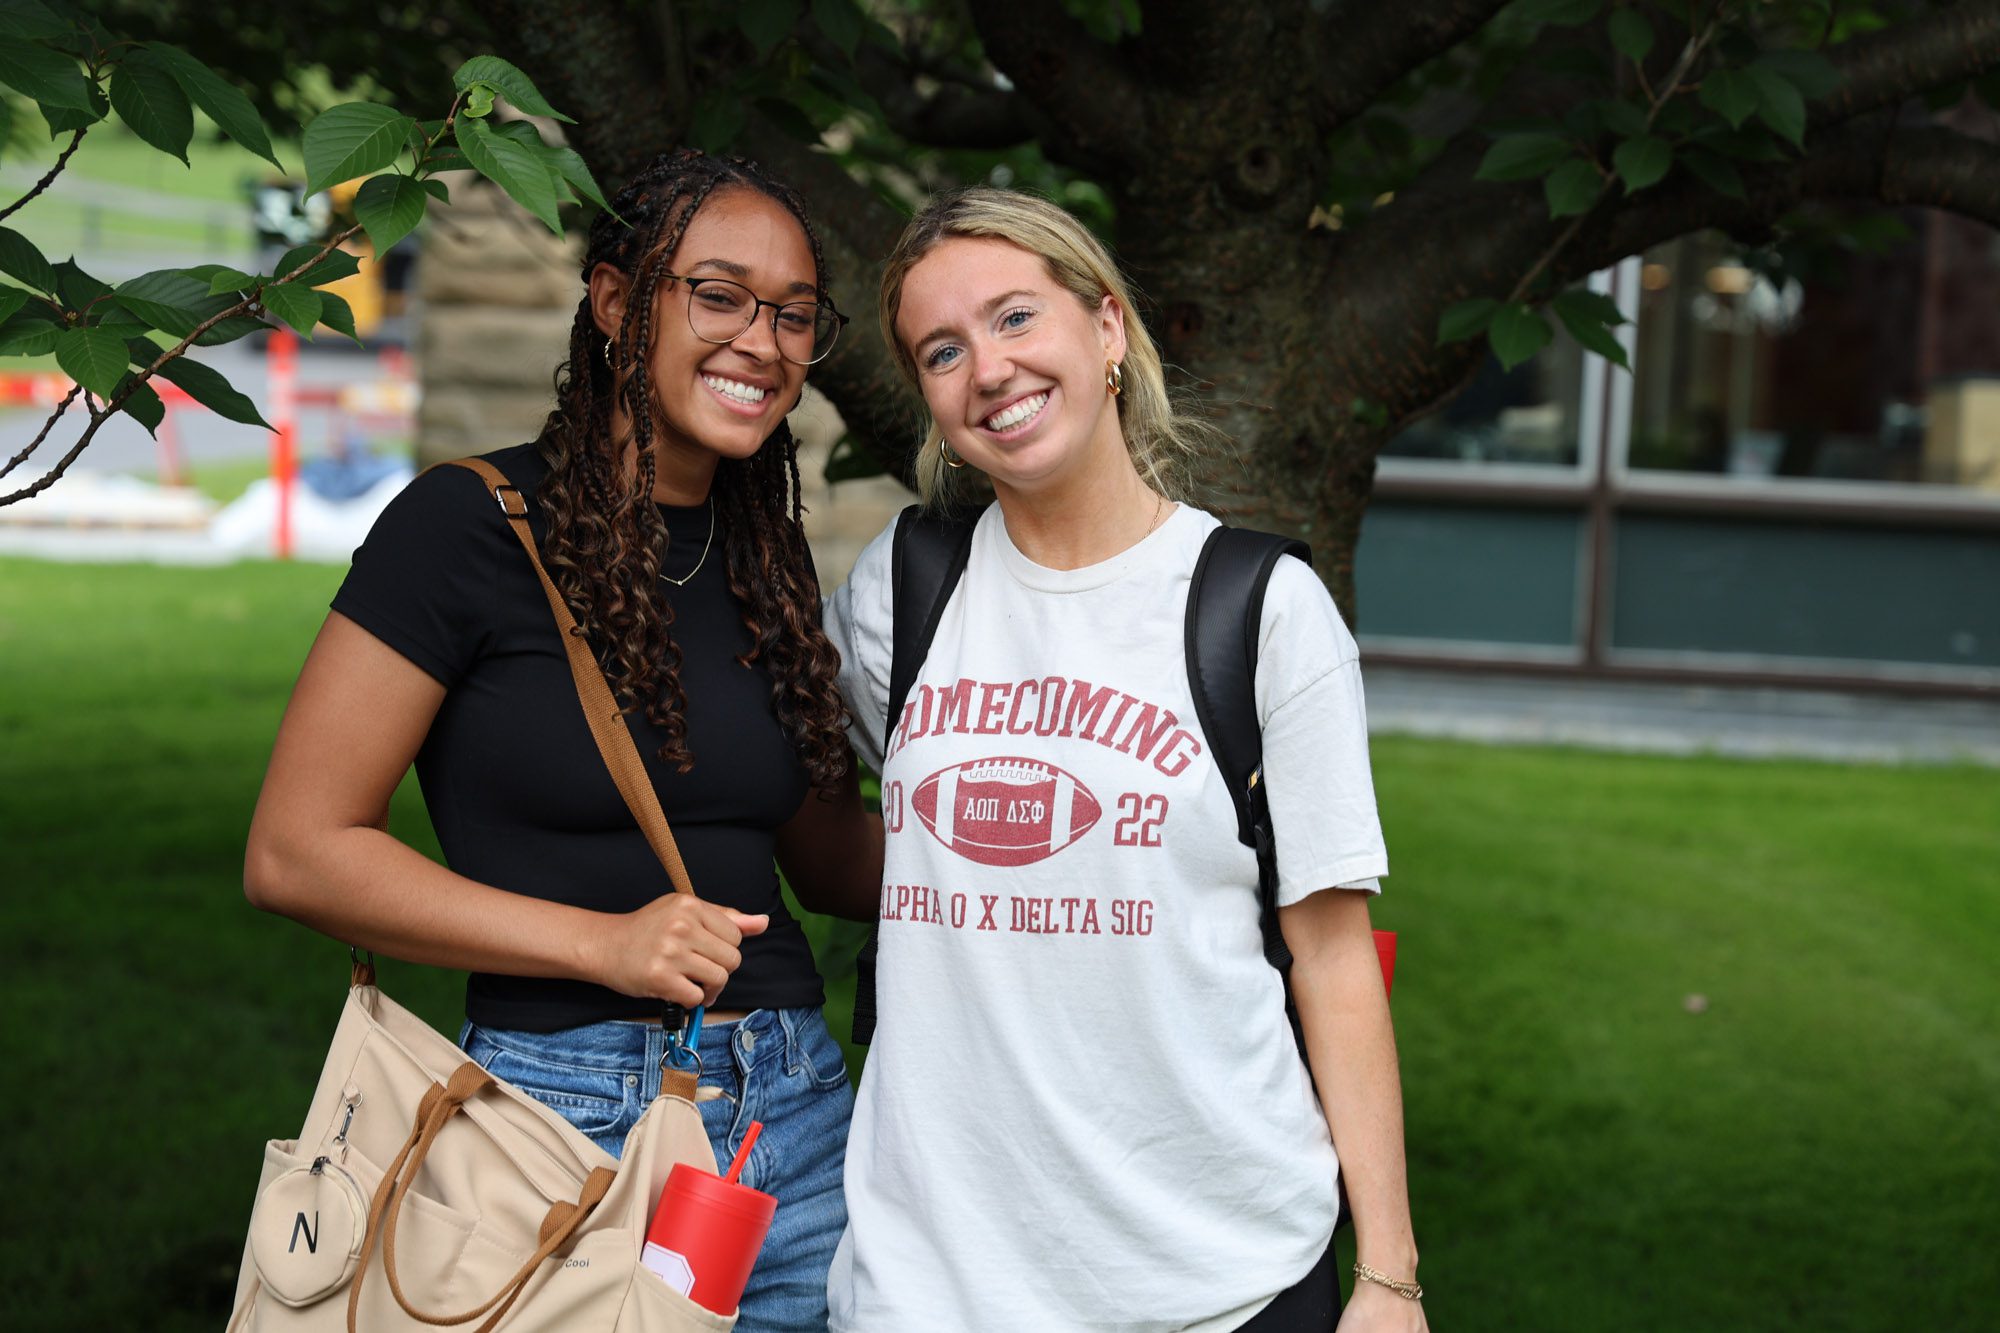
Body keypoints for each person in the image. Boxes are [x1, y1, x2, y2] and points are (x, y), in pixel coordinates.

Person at [244, 149, 880, 1331]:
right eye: (721, 294)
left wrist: (1058, 854)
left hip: (790, 1120)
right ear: (613, 301)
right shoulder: (467, 528)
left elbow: (828, 858)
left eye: (794, 314)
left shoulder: (762, 556)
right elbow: (295, 849)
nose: (763, 339)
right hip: (565, 1120)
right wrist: (601, 944)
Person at [822, 188, 1428, 1333]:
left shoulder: (1257, 609)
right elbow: (808, 810)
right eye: (941, 350)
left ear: (1105, 329)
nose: (987, 369)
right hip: (930, 1287)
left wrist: (1386, 1273)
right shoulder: (902, 592)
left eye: (1013, 318)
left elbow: (1333, 957)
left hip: (1215, 1280)